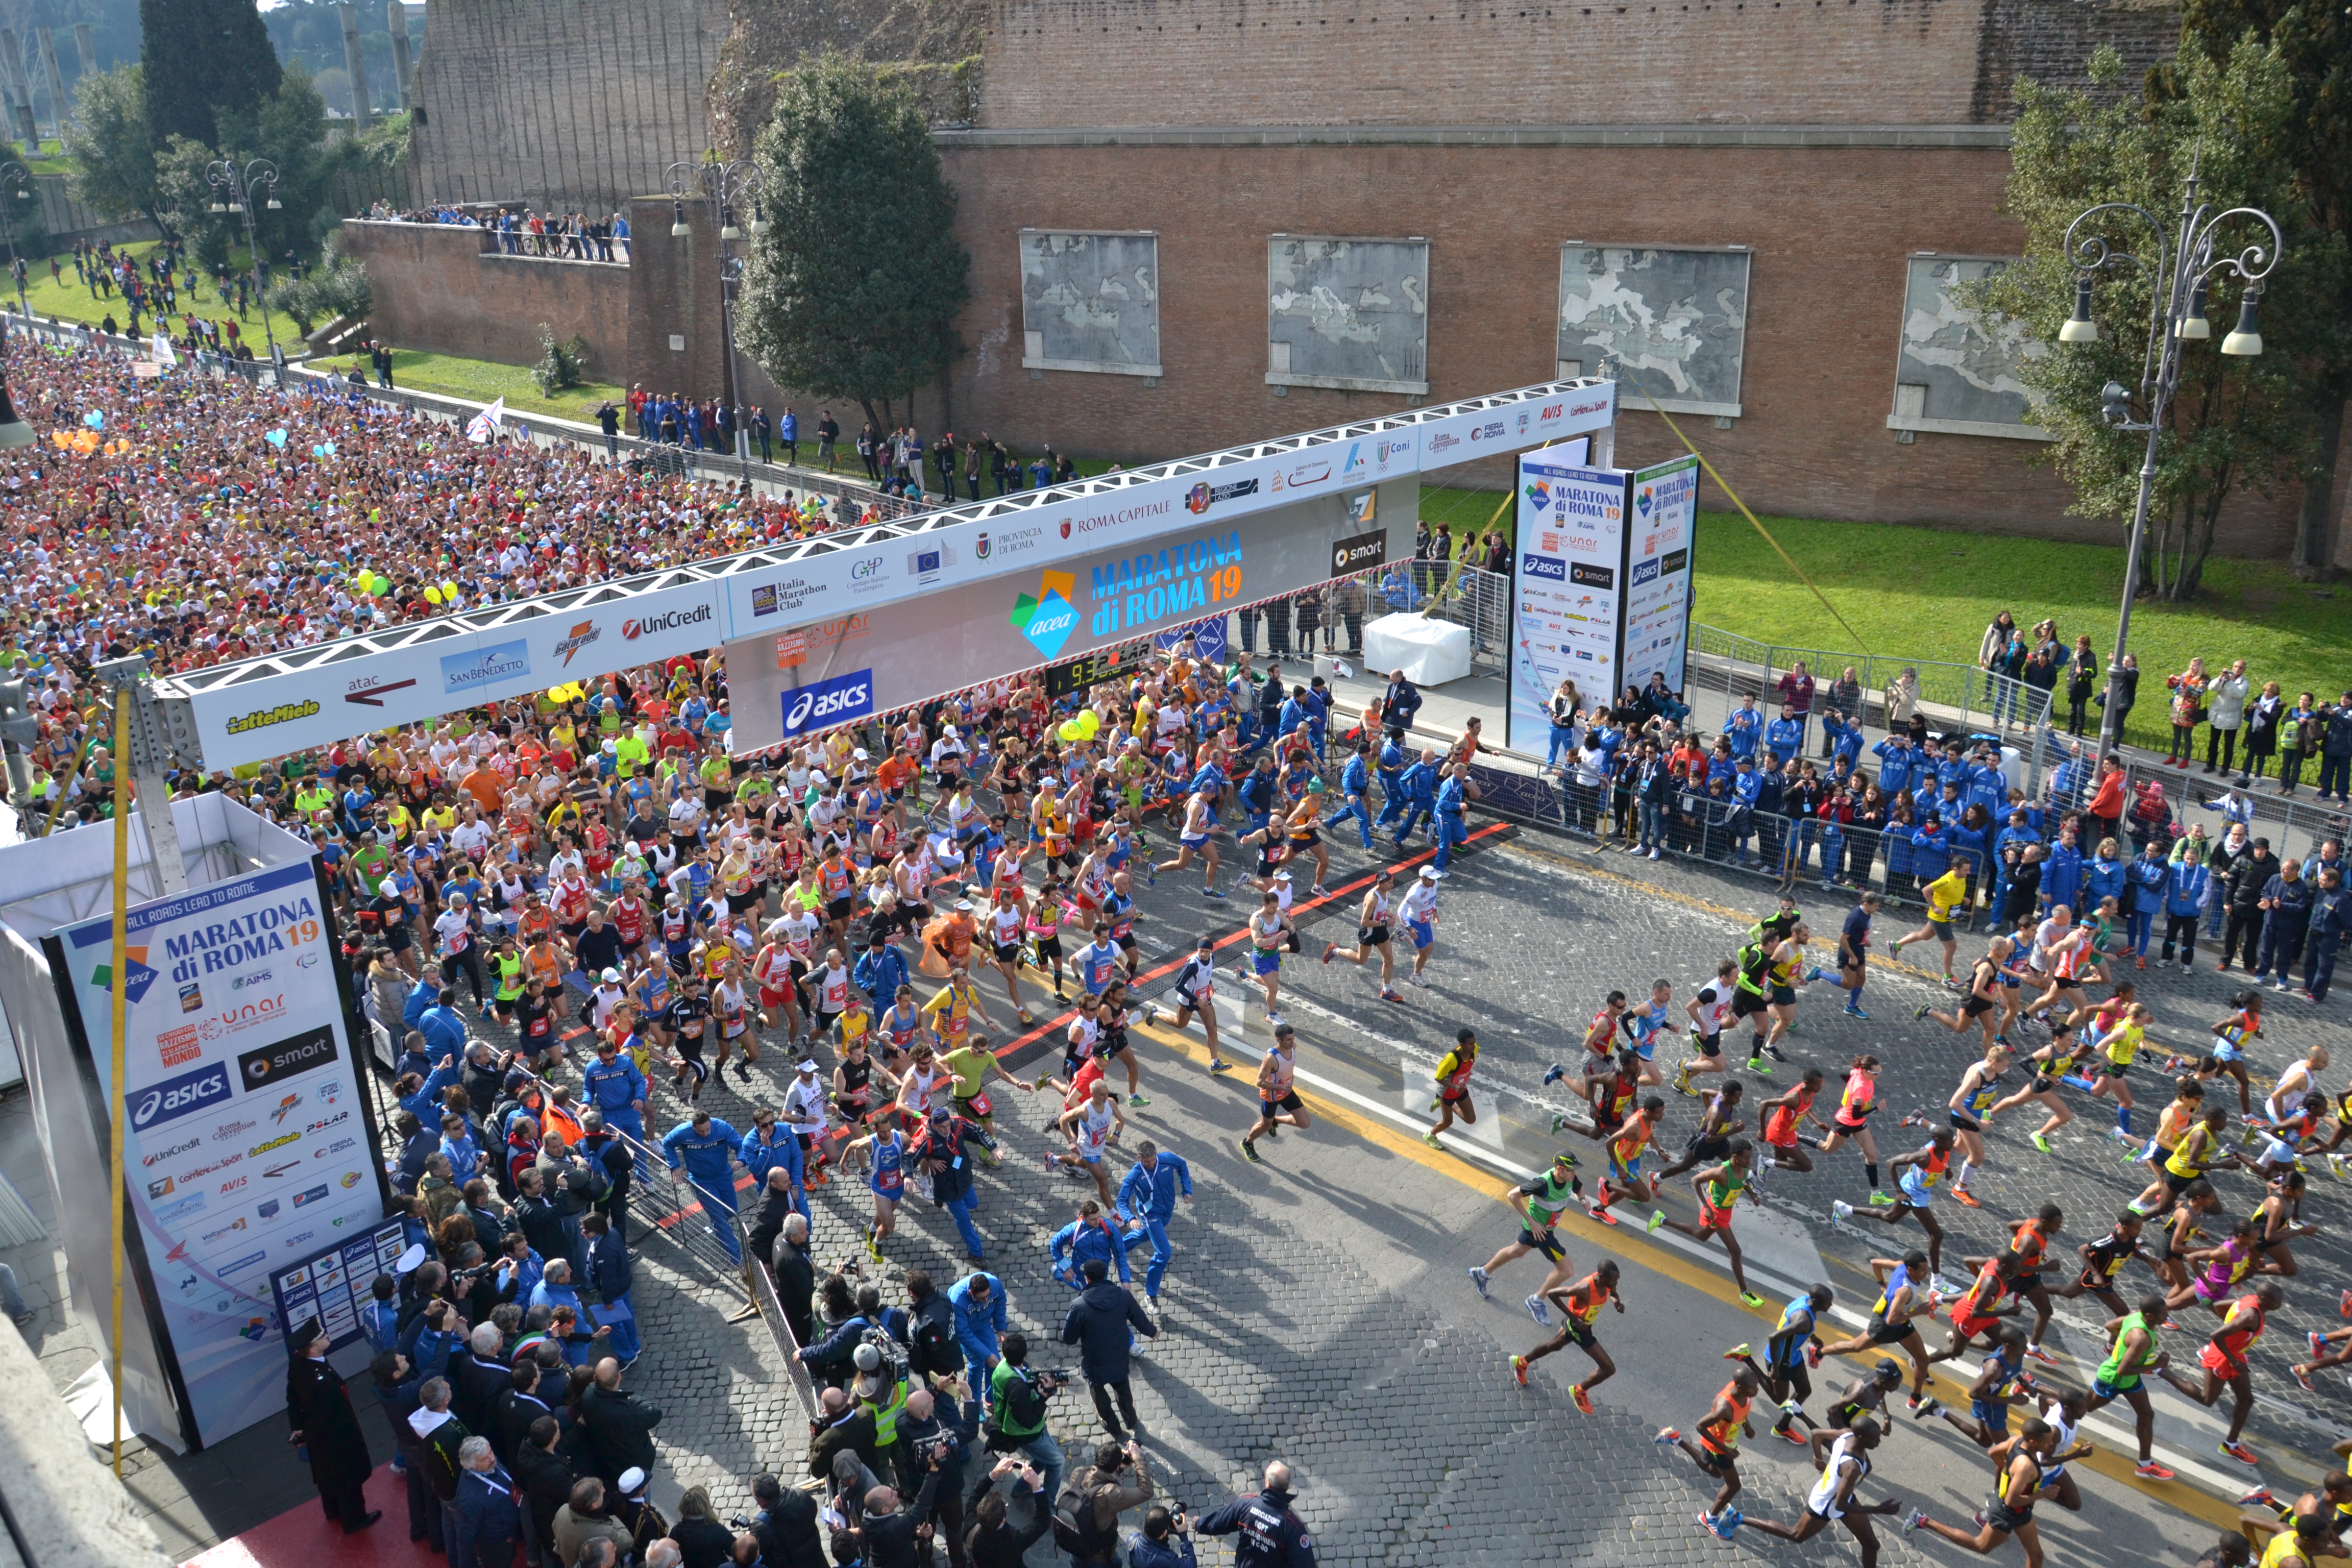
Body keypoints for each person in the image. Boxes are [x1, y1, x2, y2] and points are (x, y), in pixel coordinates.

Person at [1736, 1419, 1900, 1565]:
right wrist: (1879, 1509)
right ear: (1862, 1439)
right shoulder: (1852, 1468)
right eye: (1875, 1439)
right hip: (1826, 1503)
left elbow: (1816, 1434)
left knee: (1871, 1545)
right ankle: (1738, 1518)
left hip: (1842, 1496)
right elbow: (1840, 1505)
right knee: (1796, 1535)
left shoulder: (1847, 1434)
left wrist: (1819, 1460)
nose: (1879, 1442)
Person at [285, 1316, 383, 1533]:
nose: (326, 1335)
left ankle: (333, 1511)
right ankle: (355, 1520)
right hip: (337, 1437)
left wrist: (299, 1429)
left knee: (326, 1475)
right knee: (348, 1479)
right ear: (313, 1349)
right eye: (321, 1336)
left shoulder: (298, 1363)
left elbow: (293, 1399)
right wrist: (306, 1434)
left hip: (318, 1438)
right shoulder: (323, 1383)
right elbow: (325, 1414)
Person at [1656, 1366, 1761, 1537]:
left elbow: (1742, 1413)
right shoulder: (1724, 1407)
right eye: (1753, 1388)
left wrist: (1747, 1426)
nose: (1757, 1391)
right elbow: (1700, 1426)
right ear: (1740, 1387)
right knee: (1734, 1485)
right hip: (1718, 1447)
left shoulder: (1744, 1394)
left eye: (1757, 1387)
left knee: (1714, 1472)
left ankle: (1676, 1439)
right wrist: (1725, 1449)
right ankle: (1709, 1517)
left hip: (1726, 1444)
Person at [1062, 1259, 1159, 1443]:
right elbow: (1139, 1318)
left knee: (1100, 1397)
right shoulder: (1123, 1296)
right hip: (1119, 1355)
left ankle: (1112, 1426)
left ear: (1088, 1279)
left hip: (1094, 1362)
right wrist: (1153, 1332)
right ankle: (1132, 1422)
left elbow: (1069, 1339)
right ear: (1105, 1276)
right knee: (1123, 1391)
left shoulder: (1079, 1305)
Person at [1510, 1261, 1623, 1412]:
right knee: (1609, 1368)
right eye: (1613, 1280)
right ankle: (1579, 1391)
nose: (1615, 1283)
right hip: (1578, 1328)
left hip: (1583, 1324)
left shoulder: (1608, 1283)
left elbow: (1613, 1294)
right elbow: (1552, 1294)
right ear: (1602, 1277)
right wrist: (1574, 1318)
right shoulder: (1585, 1288)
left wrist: (1617, 1303)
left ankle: (1522, 1362)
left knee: (1554, 1346)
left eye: (1616, 1280)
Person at [1116, 1139, 1194, 1304]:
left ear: (1156, 1154)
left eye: (1152, 1160)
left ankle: (1117, 1249)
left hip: (1166, 1212)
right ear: (1139, 1158)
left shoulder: (1167, 1159)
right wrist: (1130, 1218)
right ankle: (1151, 1294)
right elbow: (1122, 1201)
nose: (1151, 1164)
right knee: (1164, 1252)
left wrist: (1187, 1189)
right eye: (1146, 1162)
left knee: (1144, 1234)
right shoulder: (1134, 1176)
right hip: (1150, 1215)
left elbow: (1183, 1166)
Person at [1196, 1460, 1316, 1568]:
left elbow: (1220, 1521)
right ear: (1287, 1486)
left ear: (1267, 1483)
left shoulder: (1246, 1504)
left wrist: (1198, 1523)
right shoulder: (1293, 1527)